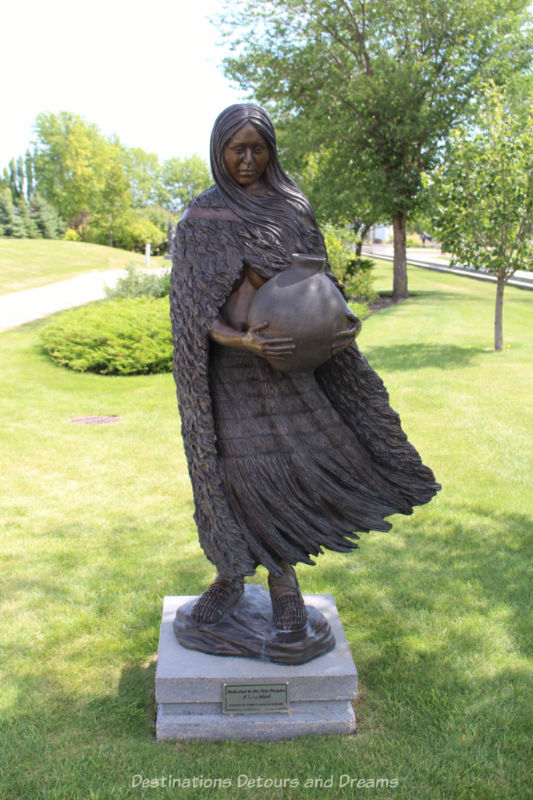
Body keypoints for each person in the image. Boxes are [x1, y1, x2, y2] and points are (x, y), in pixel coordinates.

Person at [170, 104, 439, 632]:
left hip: (291, 369)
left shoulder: (291, 208)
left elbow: (320, 281)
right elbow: (192, 312)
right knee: (235, 470)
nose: (247, 159)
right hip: (232, 375)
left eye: (258, 148)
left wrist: (341, 319)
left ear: (271, 151)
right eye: (237, 148)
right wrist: (244, 341)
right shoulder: (203, 217)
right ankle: (229, 574)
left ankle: (284, 582)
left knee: (291, 467)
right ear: (218, 151)